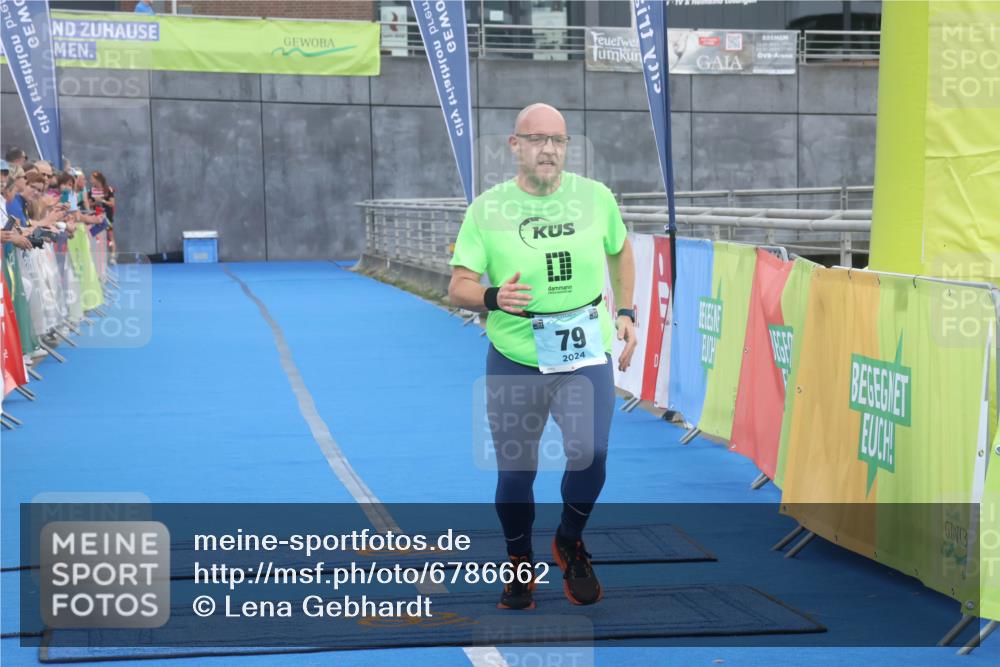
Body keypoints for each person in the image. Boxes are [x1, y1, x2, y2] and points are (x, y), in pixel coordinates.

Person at [448, 103, 637, 610]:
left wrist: (627, 310)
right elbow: (459, 285)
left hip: (583, 352)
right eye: (536, 139)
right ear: (515, 146)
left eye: (557, 139)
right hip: (516, 355)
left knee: (591, 452)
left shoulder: (595, 198)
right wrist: (492, 298)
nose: (548, 149)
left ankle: (570, 539)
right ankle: (518, 561)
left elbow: (620, 249)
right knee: (516, 474)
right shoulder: (488, 210)